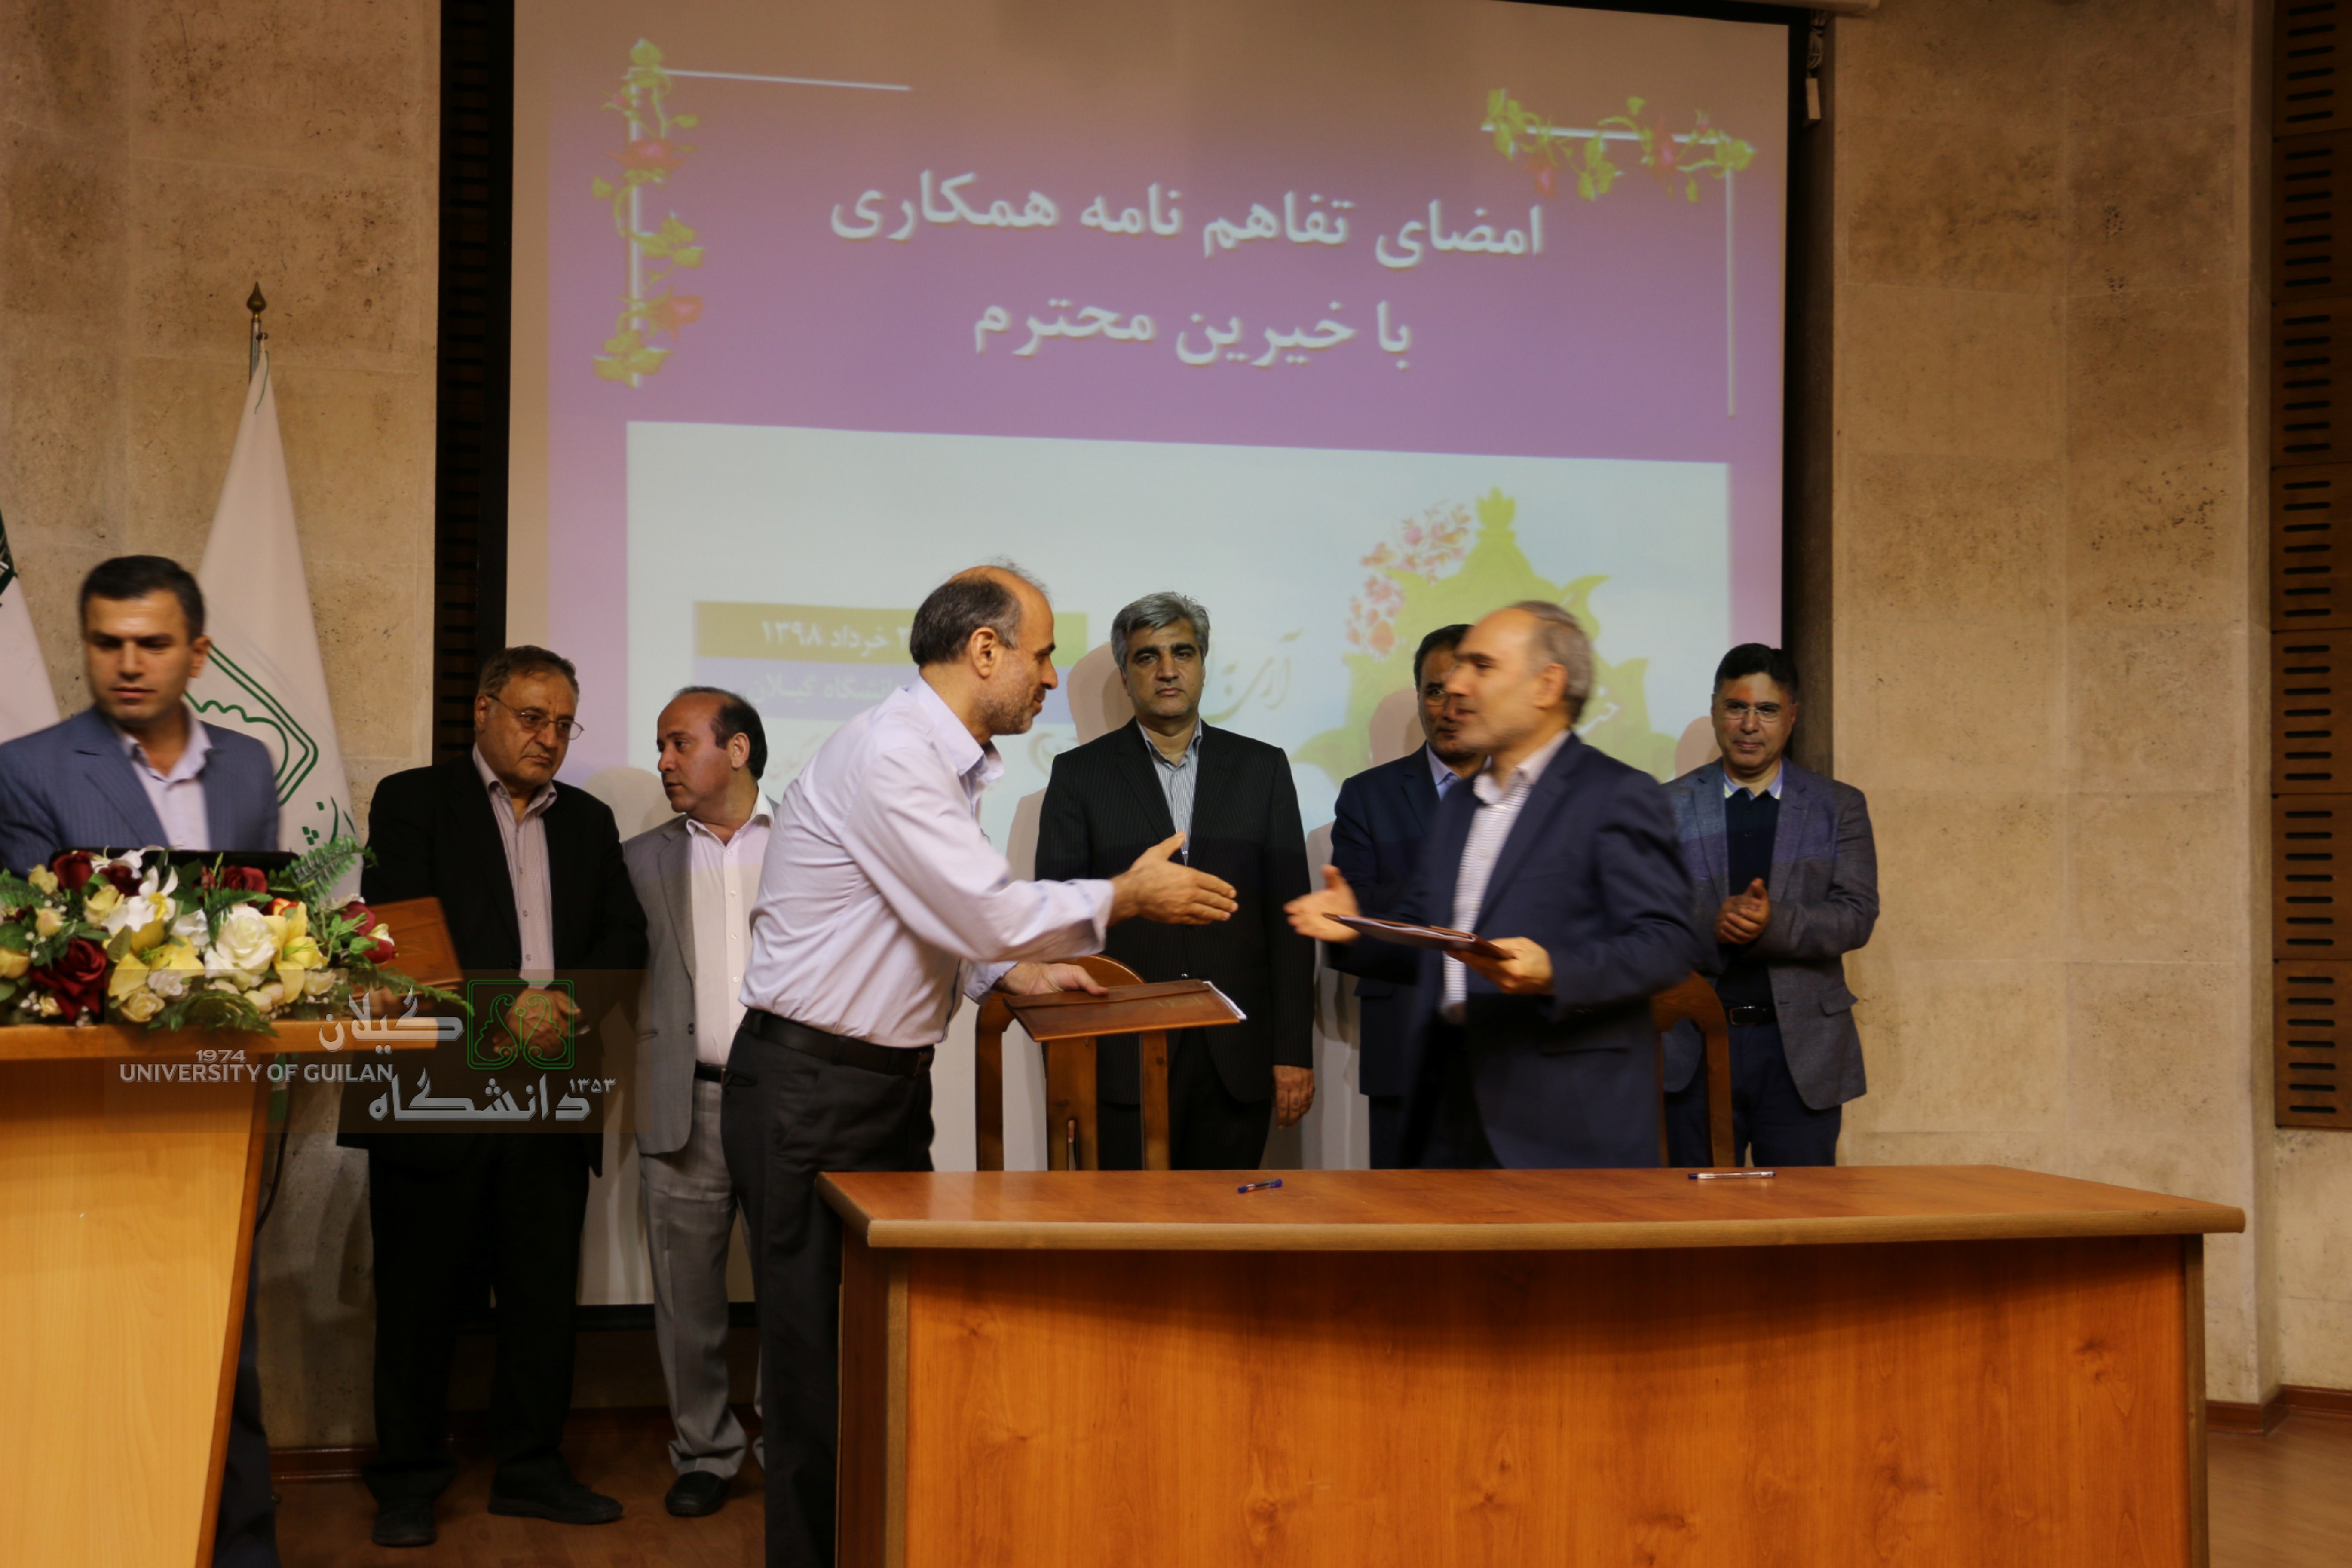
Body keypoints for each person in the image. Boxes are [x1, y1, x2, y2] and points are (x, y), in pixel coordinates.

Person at [725, 564, 1239, 1568]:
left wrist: (1013, 973)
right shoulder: (892, 753)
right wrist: (1124, 896)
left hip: (873, 1088)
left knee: (881, 1350)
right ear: (984, 650)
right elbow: (978, 908)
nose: (1051, 679)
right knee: (816, 1368)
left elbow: (931, 917)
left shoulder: (933, 758)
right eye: (1041, 656)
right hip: (810, 1091)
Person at [0, 555, 282, 1568]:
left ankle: (240, 1549)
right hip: (87, 1118)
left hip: (215, 1105)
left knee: (225, 1347)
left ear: (196, 654)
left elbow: (267, 921)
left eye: (152, 643)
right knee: (89, 1353)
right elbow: (38, 943)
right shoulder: (28, 768)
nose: (128, 663)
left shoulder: (249, 765)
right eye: (107, 642)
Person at [341, 645, 648, 1549]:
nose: (548, 738)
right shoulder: (413, 799)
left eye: (563, 724)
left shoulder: (589, 822)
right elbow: (401, 932)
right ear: (482, 710)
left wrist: (564, 1005)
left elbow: (625, 938)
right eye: (531, 717)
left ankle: (532, 1469)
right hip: (433, 1081)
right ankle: (407, 1479)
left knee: (541, 1295)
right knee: (419, 1299)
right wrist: (508, 1007)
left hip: (552, 1077)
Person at [1287, 601, 1706, 1169]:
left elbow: (1667, 944)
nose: (1458, 686)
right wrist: (1352, 924)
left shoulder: (1616, 794)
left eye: (1482, 667)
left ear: (1546, 685)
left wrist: (1556, 970)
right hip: (1446, 1111)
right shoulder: (1463, 805)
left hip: (1564, 1120)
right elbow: (1432, 936)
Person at [1035, 592, 1315, 1169]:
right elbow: (1058, 929)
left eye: (1183, 653)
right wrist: (1067, 1069)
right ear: (1125, 674)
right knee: (1124, 1221)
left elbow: (1289, 922)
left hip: (1236, 1054)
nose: (1167, 670)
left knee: (1224, 1221)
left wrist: (1293, 1052)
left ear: (1202, 665)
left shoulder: (1262, 769)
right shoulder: (1079, 776)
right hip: (1121, 1056)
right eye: (1148, 657)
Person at [621, 686, 772, 1518]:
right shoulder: (638, 859)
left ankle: (791, 1445)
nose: (664, 761)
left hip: (786, 1103)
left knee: (796, 1288)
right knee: (687, 1298)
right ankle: (705, 1452)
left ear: (737, 750)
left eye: (680, 743)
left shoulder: (809, 845)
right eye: (660, 745)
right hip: (683, 1100)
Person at [1661, 645, 1877, 1167]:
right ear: (1715, 710)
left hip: (1801, 1052)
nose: (1750, 725)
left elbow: (1856, 915)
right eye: (1736, 708)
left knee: (1802, 1211)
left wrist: (1772, 923)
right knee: (1694, 1210)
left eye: (1767, 710)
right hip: (1694, 1048)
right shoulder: (1665, 806)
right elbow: (1645, 920)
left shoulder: (1838, 806)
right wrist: (1712, 926)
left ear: (1792, 715)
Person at [1328, 623, 1481, 1169]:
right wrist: (1455, 886)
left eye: (1464, 692)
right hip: (1404, 1047)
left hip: (1510, 1050)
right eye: (1435, 691)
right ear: (1419, 696)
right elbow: (1352, 925)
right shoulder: (1368, 797)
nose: (1449, 708)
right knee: (1403, 1213)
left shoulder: (1528, 795)